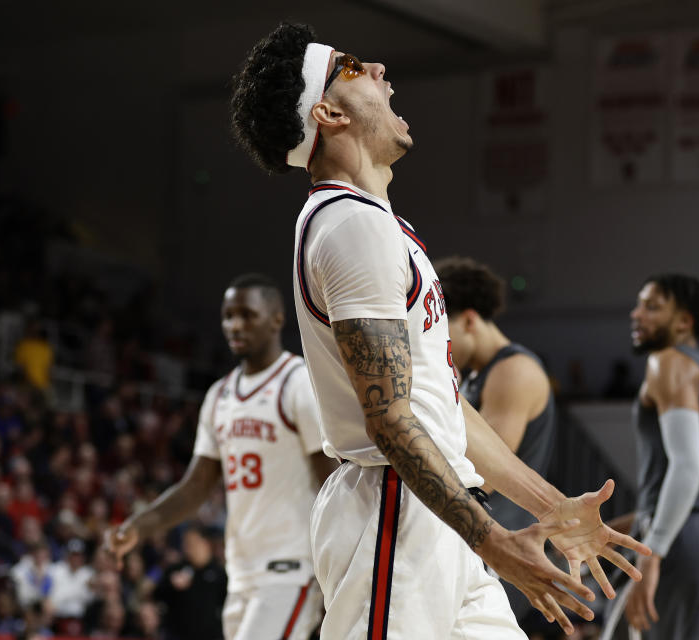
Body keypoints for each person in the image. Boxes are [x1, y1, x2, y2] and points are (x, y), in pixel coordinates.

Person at [230, 21, 650, 640]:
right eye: (352, 67)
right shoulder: (349, 227)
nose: (378, 70)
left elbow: (444, 407)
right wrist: (496, 540)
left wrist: (551, 508)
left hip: (437, 515)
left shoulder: (375, 225)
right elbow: (390, 420)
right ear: (328, 113)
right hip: (393, 511)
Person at [104, 274, 335, 640]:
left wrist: (338, 567)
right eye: (228, 316)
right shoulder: (219, 396)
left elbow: (333, 483)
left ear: (277, 318)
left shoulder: (298, 383)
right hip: (241, 572)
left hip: (291, 569)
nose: (235, 325)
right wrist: (139, 526)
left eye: (247, 315)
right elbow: (195, 486)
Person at [620, 274, 699, 639]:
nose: (636, 314)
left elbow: (688, 467)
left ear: (684, 321)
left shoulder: (667, 362)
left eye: (652, 307)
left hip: (679, 537)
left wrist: (653, 550)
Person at [436, 256, 557, 621]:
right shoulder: (475, 374)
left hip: (500, 552)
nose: (436, 341)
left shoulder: (512, 371)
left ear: (469, 320)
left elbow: (478, 475)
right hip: (478, 547)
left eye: (442, 328)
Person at [154, 526, 226, 640]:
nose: (188, 548)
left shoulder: (219, 573)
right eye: (186, 544)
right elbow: (157, 595)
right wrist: (171, 585)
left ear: (206, 543)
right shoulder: (176, 570)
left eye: (192, 543)